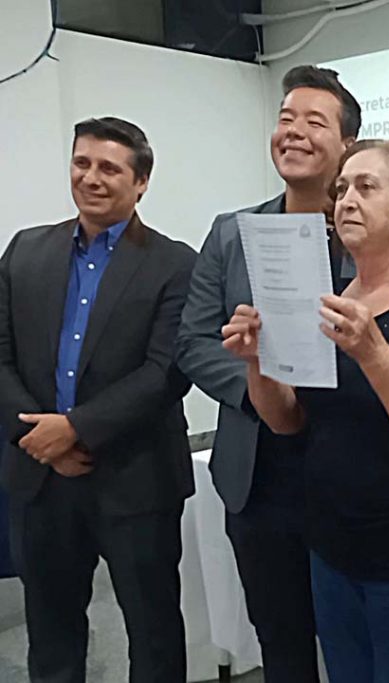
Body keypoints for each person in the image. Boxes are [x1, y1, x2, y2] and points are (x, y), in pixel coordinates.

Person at [222, 139, 389, 683]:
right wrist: (258, 362)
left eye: (366, 187)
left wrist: (374, 353)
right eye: (341, 190)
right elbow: (288, 420)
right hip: (332, 553)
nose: (346, 201)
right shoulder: (329, 301)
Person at [176, 65, 360, 681]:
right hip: (258, 477)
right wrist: (260, 390)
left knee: (354, 641)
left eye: (315, 122)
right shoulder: (231, 234)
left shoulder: (369, 235)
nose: (294, 132)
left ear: (347, 144)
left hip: (348, 467)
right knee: (280, 641)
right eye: (286, 119)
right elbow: (193, 340)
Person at [0, 116, 196, 682]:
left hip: (136, 481)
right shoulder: (25, 250)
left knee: (154, 638)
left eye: (109, 168)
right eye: (81, 163)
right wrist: (38, 438)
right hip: (40, 480)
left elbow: (166, 372)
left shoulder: (175, 263)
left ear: (141, 182)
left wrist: (75, 429)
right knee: (51, 638)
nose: (91, 178)